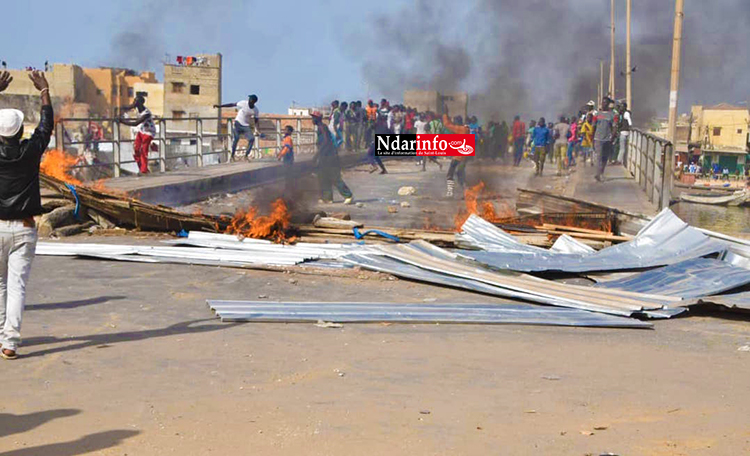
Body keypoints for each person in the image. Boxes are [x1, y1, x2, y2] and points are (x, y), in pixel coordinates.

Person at [0, 70, 53, 360]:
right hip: (23, 227)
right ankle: (10, 342)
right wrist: (44, 92)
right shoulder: (31, 151)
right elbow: (45, 128)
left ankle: (2, 335)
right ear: (21, 132)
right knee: (16, 286)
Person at [311, 111, 353, 204]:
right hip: (324, 156)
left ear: (318, 119)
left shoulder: (323, 127)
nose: (312, 119)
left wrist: (316, 155)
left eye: (313, 118)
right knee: (323, 176)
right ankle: (328, 198)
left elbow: (326, 141)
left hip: (330, 156)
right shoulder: (319, 128)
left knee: (334, 177)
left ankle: (348, 195)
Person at [214, 94, 259, 161]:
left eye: (250, 99)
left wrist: (256, 129)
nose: (248, 100)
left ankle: (246, 156)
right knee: (236, 138)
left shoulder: (255, 110)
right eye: (248, 99)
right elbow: (232, 104)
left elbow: (256, 120)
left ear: (253, 102)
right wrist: (220, 106)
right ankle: (232, 156)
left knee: (252, 139)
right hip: (237, 123)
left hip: (245, 125)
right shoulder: (243, 103)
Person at [119, 94, 156, 174]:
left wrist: (122, 121)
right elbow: (128, 107)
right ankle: (141, 168)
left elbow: (136, 123)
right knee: (135, 150)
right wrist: (120, 108)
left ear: (141, 103)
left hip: (149, 132)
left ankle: (144, 170)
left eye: (136, 101)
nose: (134, 103)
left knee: (143, 150)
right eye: (134, 101)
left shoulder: (146, 113)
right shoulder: (137, 107)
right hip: (141, 131)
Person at [443, 112, 471, 198]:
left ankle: (450, 192)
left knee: (450, 174)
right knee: (460, 174)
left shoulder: (460, 129)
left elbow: (446, 124)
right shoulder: (466, 129)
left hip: (458, 156)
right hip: (465, 156)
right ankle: (466, 192)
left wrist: (445, 114)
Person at [592, 97, 616, 182]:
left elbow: (614, 127)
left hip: (607, 139)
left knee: (605, 157)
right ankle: (598, 174)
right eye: (602, 102)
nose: (603, 104)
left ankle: (601, 172)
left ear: (608, 104)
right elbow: (593, 127)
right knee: (598, 156)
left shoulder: (612, 115)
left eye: (605, 102)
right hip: (598, 138)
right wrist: (592, 139)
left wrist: (612, 137)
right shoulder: (596, 114)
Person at [276, 125, 295, 191]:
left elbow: (286, 148)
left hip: (288, 158)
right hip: (288, 158)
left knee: (288, 173)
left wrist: (280, 155)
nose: (285, 131)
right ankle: (288, 187)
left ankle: (288, 187)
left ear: (290, 131)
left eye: (286, 130)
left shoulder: (288, 139)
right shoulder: (287, 138)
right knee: (288, 173)